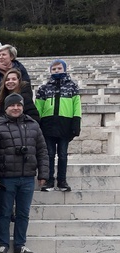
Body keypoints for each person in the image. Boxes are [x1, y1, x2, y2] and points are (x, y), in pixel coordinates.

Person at [0, 93, 49, 253]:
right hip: (6, 177)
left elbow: (42, 151)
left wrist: (44, 173)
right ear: (6, 107)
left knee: (23, 213)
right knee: (5, 212)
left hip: (28, 176)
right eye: (12, 105)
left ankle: (20, 245)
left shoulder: (33, 125)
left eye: (19, 105)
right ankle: (2, 244)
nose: (15, 108)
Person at [35, 59, 82, 192]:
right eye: (54, 69)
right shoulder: (44, 88)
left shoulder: (72, 86)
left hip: (65, 125)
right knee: (49, 153)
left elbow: (76, 105)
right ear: (50, 71)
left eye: (59, 68)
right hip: (48, 125)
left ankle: (62, 181)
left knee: (62, 154)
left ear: (65, 69)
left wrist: (76, 122)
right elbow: (38, 107)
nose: (56, 71)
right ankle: (49, 180)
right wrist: (37, 123)